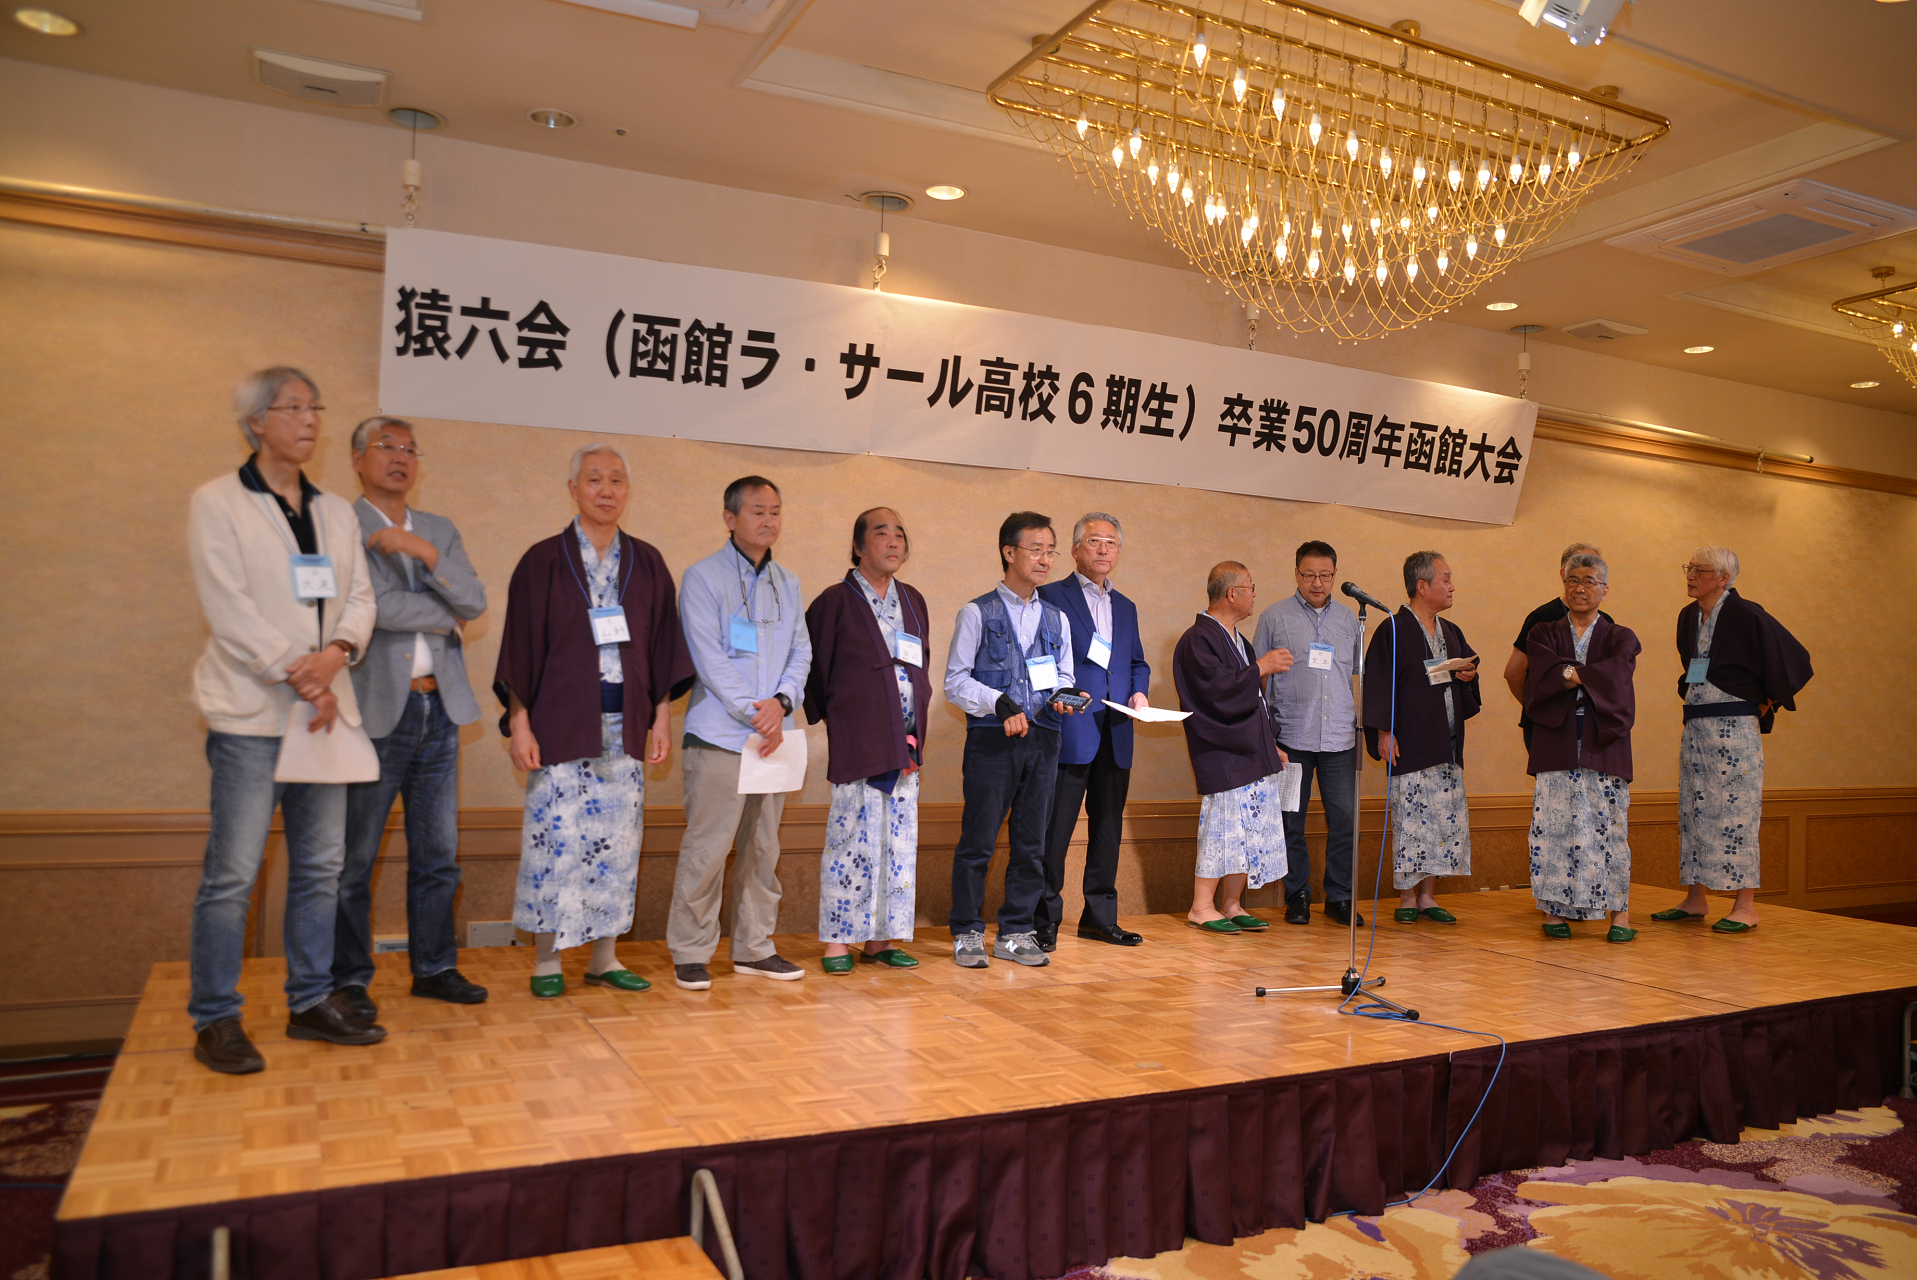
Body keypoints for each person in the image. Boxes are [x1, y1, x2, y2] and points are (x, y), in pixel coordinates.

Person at [185, 367, 382, 1073]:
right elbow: (227, 605)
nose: (308, 420)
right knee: (233, 874)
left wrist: (335, 656)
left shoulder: (335, 512)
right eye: (292, 407)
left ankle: (310, 1001)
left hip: (324, 713)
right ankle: (216, 1017)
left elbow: (360, 598)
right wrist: (299, 672)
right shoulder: (217, 502)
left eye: (314, 407)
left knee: (321, 867)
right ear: (256, 422)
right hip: (251, 716)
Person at [495, 444, 692, 998]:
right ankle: (547, 960)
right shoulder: (542, 561)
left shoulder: (647, 562)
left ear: (628, 491)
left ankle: (604, 958)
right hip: (558, 726)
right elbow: (520, 649)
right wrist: (520, 724)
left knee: (617, 846)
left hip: (624, 727)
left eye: (617, 480)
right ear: (573, 489)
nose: (607, 490)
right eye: (594, 479)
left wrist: (660, 720)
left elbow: (662, 650)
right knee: (553, 844)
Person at [331, 417, 490, 1022]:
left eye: (410, 449)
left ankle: (435, 968)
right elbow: (373, 607)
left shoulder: (438, 530)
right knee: (355, 859)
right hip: (374, 712)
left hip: (440, 707)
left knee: (438, 854)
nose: (400, 457)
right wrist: (443, 612)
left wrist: (423, 553)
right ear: (357, 459)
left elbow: (474, 599)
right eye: (387, 447)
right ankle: (348, 979)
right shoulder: (341, 526)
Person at [669, 476, 813, 989]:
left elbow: (801, 651)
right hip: (720, 735)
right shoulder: (703, 576)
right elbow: (707, 656)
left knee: (763, 849)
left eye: (775, 511)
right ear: (730, 518)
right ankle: (691, 951)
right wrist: (755, 711)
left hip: (774, 737)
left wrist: (782, 703)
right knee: (708, 850)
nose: (768, 521)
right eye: (757, 511)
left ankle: (755, 948)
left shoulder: (788, 582)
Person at [943, 511, 1083, 969]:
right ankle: (967, 930)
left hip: (1044, 740)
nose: (1045, 560)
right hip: (992, 742)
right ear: (1009, 552)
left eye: (1050, 551)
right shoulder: (976, 612)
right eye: (1035, 550)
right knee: (978, 840)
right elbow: (955, 682)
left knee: (1031, 843)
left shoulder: (1057, 618)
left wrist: (1066, 698)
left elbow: (1064, 675)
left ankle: (1016, 930)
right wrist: (998, 702)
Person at [1655, 546, 1812, 933]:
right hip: (1696, 729)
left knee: (1738, 814)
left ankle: (1746, 906)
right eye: (1689, 568)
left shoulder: (1747, 613)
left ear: (1724, 578)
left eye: (1700, 570)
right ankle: (1695, 898)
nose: (1690, 575)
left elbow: (1796, 658)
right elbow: (1692, 666)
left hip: (1735, 731)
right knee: (1693, 811)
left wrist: (1769, 700)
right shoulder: (1688, 616)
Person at [804, 507, 932, 973]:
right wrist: (846, 719)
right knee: (850, 843)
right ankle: (838, 942)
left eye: (900, 534)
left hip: (906, 745)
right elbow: (815, 673)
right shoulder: (834, 602)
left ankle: (881, 940)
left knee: (898, 845)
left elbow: (920, 666)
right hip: (859, 742)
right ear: (859, 546)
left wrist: (912, 729)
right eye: (882, 533)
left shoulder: (913, 600)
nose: (894, 541)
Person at [1036, 513, 1152, 950]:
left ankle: (1100, 918)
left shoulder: (1126, 606)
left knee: (1107, 829)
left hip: (1117, 729)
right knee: (1054, 831)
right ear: (1074, 549)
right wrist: (1060, 693)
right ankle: (1043, 918)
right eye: (1094, 541)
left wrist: (1139, 693)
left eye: (1111, 542)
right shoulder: (1050, 595)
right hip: (1070, 730)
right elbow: (1038, 658)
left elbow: (1137, 663)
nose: (1103, 549)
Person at [1523, 553, 1641, 942]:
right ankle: (1553, 911)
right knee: (1553, 830)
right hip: (1555, 741)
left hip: (1603, 744)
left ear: (1605, 590)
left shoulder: (1621, 637)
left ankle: (1620, 916)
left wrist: (1570, 673)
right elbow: (1541, 674)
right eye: (1573, 580)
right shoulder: (1543, 631)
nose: (1580, 588)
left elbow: (1617, 678)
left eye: (1590, 581)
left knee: (1609, 830)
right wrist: (1587, 675)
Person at [1363, 551, 1481, 924]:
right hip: (1411, 741)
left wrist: (1469, 675)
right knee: (1411, 821)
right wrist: (1384, 731)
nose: (1452, 586)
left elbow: (1467, 673)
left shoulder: (1452, 631)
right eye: (1446, 579)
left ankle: (1428, 896)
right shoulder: (1393, 629)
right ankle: (1407, 897)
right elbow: (1379, 682)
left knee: (1444, 822)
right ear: (1422, 586)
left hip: (1446, 742)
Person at [1173, 562, 1291, 933]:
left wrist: (1269, 742)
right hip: (1222, 750)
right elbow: (1218, 692)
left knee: (1248, 831)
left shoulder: (1237, 639)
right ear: (1232, 593)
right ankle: (1201, 906)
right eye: (1251, 587)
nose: (1255, 594)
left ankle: (1232, 903)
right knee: (1223, 829)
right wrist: (1261, 667)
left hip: (1251, 750)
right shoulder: (1198, 639)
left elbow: (1254, 699)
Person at [1252, 540, 1362, 928]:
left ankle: (1340, 896)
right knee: (1290, 823)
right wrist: (1264, 733)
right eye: (1309, 575)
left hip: (1339, 738)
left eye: (1325, 575)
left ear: (1335, 575)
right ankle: (1297, 894)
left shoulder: (1350, 620)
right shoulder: (1274, 617)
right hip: (1291, 738)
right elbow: (1257, 677)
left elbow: (1358, 674)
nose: (1317, 583)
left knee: (1345, 821)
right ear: (1296, 573)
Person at [1502, 542, 1612, 751]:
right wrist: (1540, 708)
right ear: (1564, 574)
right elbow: (1513, 672)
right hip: (1549, 727)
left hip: (1592, 725)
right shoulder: (1543, 618)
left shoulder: (1607, 623)